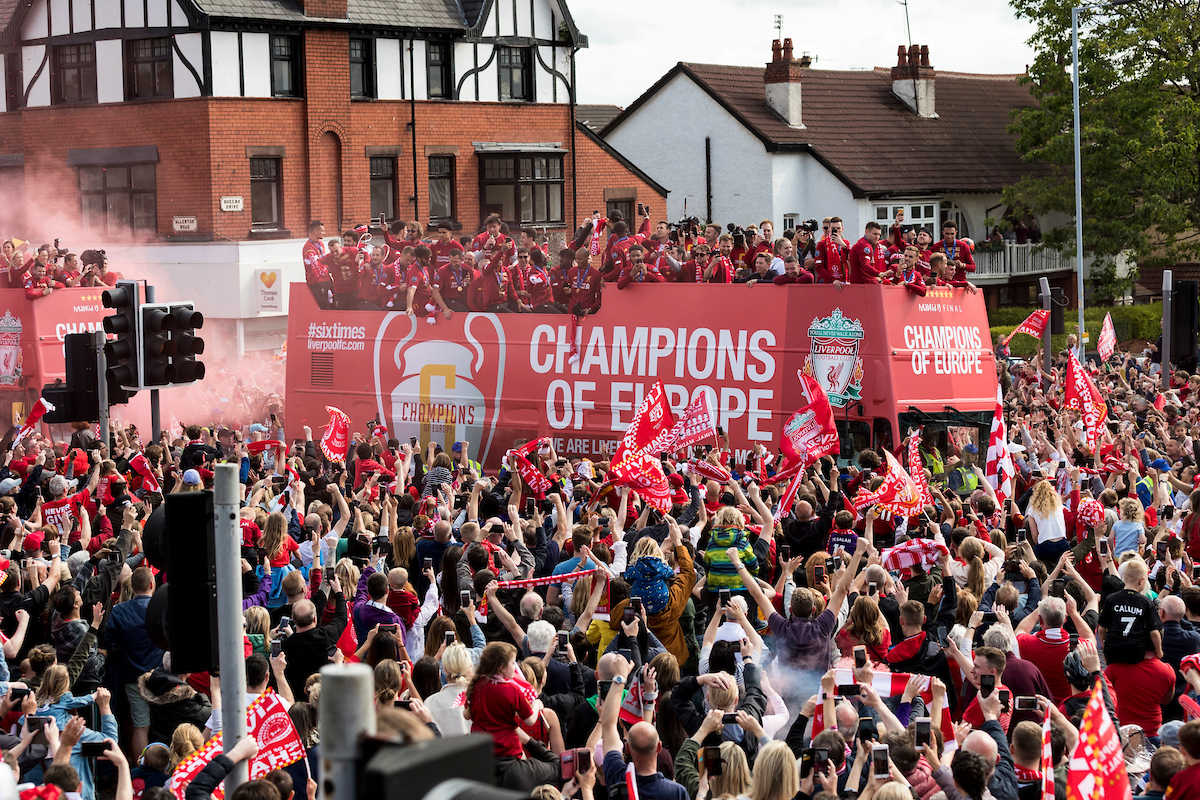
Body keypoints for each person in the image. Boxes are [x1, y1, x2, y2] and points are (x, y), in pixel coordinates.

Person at [600, 654, 688, 800]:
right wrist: (649, 696)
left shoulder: (617, 778)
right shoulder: (677, 793)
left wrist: (620, 678)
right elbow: (645, 736)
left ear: (627, 748)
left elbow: (608, 724)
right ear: (659, 748)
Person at [302, 221, 332, 309]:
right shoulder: (308, 248)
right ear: (315, 231)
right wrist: (327, 268)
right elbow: (316, 265)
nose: (324, 233)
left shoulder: (320, 244)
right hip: (316, 281)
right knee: (324, 307)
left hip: (326, 279)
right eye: (322, 231)